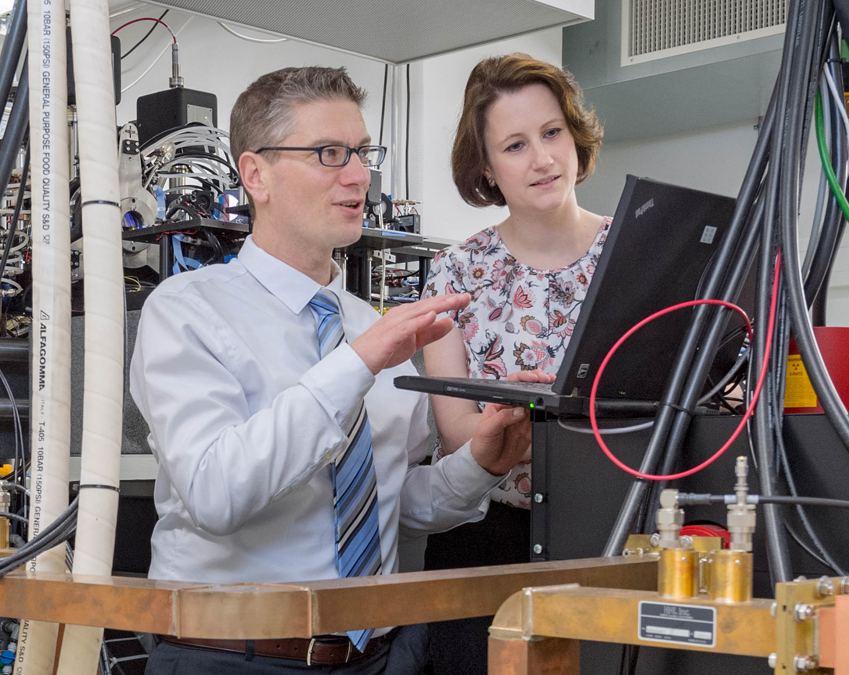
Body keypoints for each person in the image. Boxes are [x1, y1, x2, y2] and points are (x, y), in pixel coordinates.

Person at [131, 66, 544, 675]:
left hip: (381, 656)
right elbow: (216, 493)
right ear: (256, 175)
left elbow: (391, 507)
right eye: (329, 153)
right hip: (230, 658)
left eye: (361, 152)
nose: (359, 176)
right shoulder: (186, 310)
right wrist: (355, 364)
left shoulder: (368, 328)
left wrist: (481, 465)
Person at [422, 53, 612, 675]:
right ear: (486, 168)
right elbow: (455, 434)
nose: (543, 158)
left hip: (612, 539)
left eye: (552, 132)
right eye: (515, 144)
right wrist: (509, 422)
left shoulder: (634, 251)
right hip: (488, 545)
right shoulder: (454, 273)